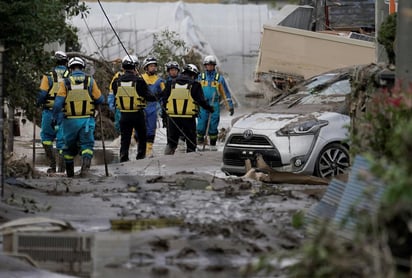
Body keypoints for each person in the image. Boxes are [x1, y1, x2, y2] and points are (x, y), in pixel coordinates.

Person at [52, 57, 104, 177]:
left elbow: (58, 103)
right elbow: (100, 98)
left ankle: (69, 174)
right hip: (86, 120)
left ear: (70, 68)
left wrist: (54, 118)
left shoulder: (65, 82)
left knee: (68, 149)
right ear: (83, 68)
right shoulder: (90, 81)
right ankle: (85, 171)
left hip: (69, 122)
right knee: (87, 145)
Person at [110, 55, 159, 162]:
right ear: (135, 67)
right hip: (138, 113)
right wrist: (159, 95)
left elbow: (114, 94)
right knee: (142, 137)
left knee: (125, 138)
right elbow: (149, 97)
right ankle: (140, 157)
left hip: (124, 114)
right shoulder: (140, 81)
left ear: (123, 67)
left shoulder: (116, 81)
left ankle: (124, 157)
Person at [161, 64, 214, 154]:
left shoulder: (170, 83)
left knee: (171, 143)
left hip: (173, 118)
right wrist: (210, 108)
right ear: (193, 75)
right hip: (189, 118)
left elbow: (164, 100)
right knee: (191, 143)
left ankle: (167, 161)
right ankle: (190, 163)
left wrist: (164, 116)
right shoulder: (195, 84)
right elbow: (201, 101)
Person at [37, 51, 69, 173]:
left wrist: (37, 103)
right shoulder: (69, 75)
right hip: (65, 113)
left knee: (46, 137)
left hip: (49, 112)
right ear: (66, 62)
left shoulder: (48, 76)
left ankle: (52, 165)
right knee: (62, 140)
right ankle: (62, 168)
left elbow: (42, 94)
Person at [196, 55, 234, 151]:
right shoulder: (201, 77)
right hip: (203, 104)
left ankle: (213, 145)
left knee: (213, 125)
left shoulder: (219, 78)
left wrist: (230, 106)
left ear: (214, 66)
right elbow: (194, 92)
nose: (210, 67)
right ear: (205, 66)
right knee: (201, 125)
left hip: (214, 105)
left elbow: (225, 94)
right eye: (208, 65)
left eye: (211, 65)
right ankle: (200, 143)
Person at [140, 56, 165, 157]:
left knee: (151, 129)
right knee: (140, 129)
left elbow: (165, 94)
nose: (153, 68)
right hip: (141, 107)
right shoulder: (140, 78)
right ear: (146, 68)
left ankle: (149, 150)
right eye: (151, 66)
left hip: (153, 108)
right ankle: (139, 147)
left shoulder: (159, 81)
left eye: (154, 66)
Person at [162, 61, 180, 153]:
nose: (173, 72)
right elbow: (164, 100)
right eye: (171, 70)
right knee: (170, 136)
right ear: (168, 72)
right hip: (170, 113)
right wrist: (164, 116)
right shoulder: (167, 83)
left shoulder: (183, 82)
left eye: (175, 70)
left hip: (182, 112)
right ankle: (170, 151)